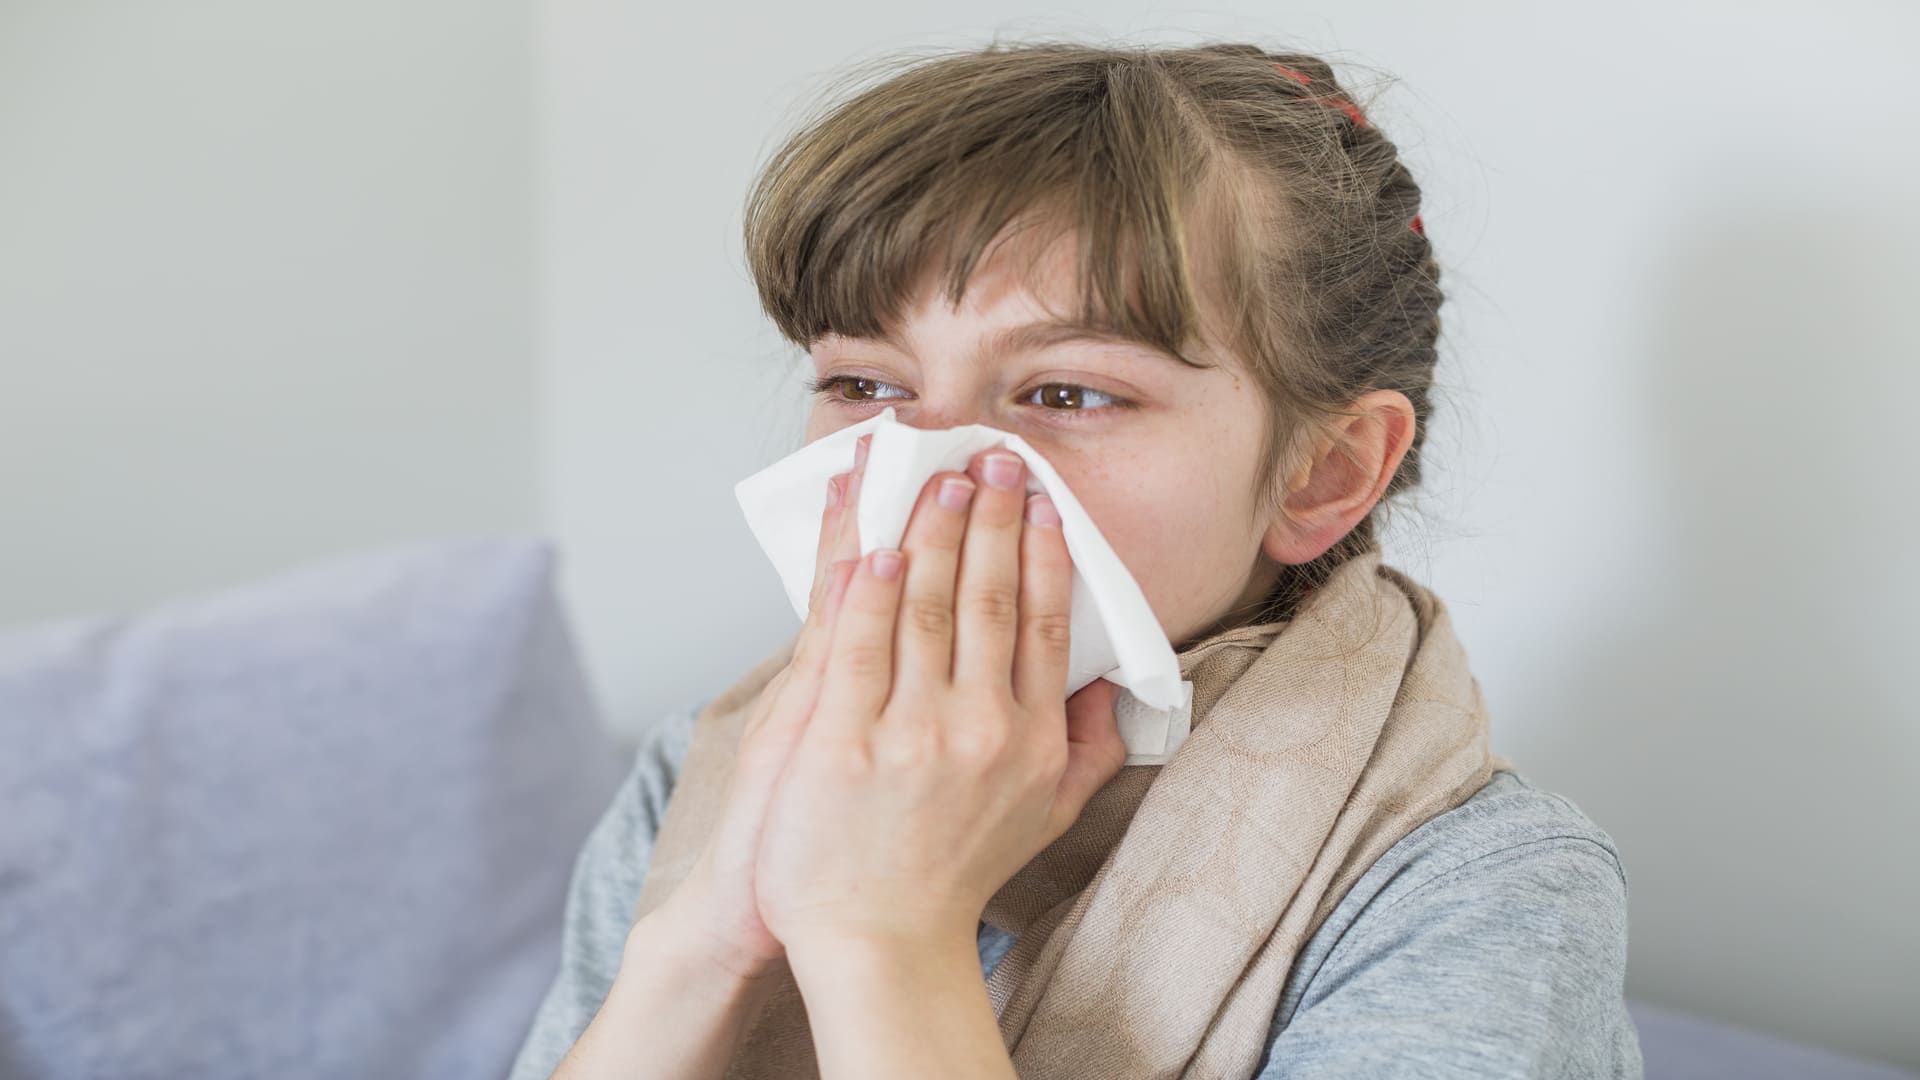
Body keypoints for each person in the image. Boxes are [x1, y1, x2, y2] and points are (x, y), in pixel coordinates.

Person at [509, 39, 1641, 1079]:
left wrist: (883, 933)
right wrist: (700, 950)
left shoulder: (1475, 887)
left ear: (1325, 474)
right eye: (866, 384)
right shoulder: (707, 769)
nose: (932, 468)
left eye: (1065, 392)